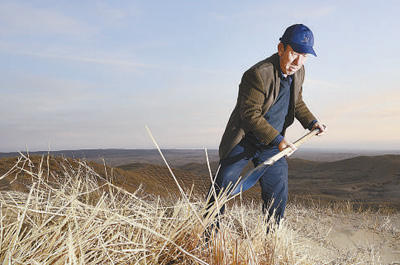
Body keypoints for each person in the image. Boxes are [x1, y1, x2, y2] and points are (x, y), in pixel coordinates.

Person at [206, 24, 327, 230]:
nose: (298, 62)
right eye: (294, 53)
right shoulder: (257, 74)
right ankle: (209, 234)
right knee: (222, 185)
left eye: (304, 56)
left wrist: (312, 122)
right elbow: (250, 115)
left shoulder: (299, 72)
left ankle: (272, 237)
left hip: (272, 145)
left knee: (278, 191)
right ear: (281, 48)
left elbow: (296, 102)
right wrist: (278, 140)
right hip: (245, 140)